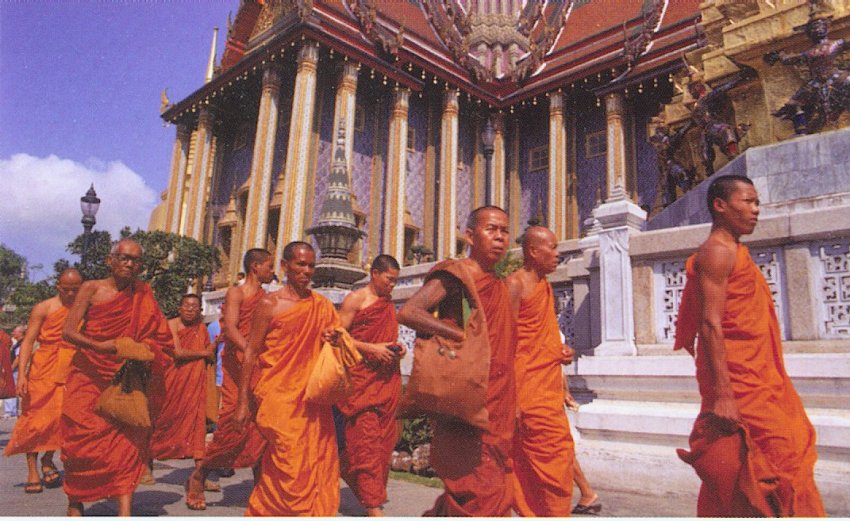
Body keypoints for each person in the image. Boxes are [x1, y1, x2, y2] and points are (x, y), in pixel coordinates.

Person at [674, 175, 824, 516]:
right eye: (748, 201)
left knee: (774, 465)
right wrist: (725, 395)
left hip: (761, 379)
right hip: (740, 387)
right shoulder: (716, 251)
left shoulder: (737, 252)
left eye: (757, 203)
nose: (756, 210)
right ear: (720, 205)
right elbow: (710, 324)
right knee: (779, 464)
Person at [398, 206, 516, 516]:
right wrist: (456, 334)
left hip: (497, 400)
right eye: (492, 229)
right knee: (477, 491)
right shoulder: (458, 274)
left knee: (493, 487)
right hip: (466, 398)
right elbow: (410, 312)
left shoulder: (498, 284)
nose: (500, 237)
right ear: (470, 235)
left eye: (504, 231)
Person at [60, 239, 174, 516]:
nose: (129, 264)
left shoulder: (143, 293)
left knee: (125, 445)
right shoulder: (91, 288)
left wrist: (141, 349)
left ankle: (124, 509)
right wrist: (100, 346)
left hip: (125, 376)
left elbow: (160, 335)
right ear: (110, 260)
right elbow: (68, 331)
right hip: (88, 373)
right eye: (123, 258)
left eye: (135, 260)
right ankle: (76, 499)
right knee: (81, 442)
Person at [234, 241, 343, 515]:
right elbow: (250, 353)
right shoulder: (269, 304)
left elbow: (340, 340)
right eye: (300, 264)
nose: (306, 271)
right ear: (285, 266)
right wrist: (243, 403)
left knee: (314, 466)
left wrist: (335, 339)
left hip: (312, 400)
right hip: (279, 399)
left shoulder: (322, 305)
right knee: (289, 464)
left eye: (311, 266)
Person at [185, 248, 274, 509]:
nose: (272, 272)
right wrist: (248, 348)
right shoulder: (237, 292)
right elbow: (231, 326)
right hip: (238, 366)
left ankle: (261, 487)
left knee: (261, 428)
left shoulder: (267, 298)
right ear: (256, 267)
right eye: (269, 267)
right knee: (232, 426)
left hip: (260, 367)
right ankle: (200, 475)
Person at [505, 226, 577, 516]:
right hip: (526, 390)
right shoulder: (515, 285)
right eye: (553, 248)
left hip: (548, 390)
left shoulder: (546, 287)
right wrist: (510, 397)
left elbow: (539, 336)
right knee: (538, 459)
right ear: (534, 251)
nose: (558, 254)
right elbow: (505, 341)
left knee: (560, 455)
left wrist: (559, 351)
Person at [337, 254, 404, 516]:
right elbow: (336, 337)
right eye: (389, 280)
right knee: (365, 443)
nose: (392, 286)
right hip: (361, 382)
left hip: (386, 381)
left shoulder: (387, 303)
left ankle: (367, 491)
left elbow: (387, 337)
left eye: (396, 282)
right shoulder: (356, 299)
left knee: (383, 446)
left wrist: (397, 349)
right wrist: (369, 348)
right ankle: (374, 507)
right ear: (375, 273)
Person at [4, 269, 82, 494]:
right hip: (43, 367)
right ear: (58, 286)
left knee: (61, 420)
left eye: (75, 290)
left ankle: (48, 459)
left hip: (70, 368)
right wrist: (23, 375)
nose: (70, 294)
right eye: (66, 289)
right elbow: (28, 341)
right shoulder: (44, 308)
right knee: (36, 420)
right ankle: (32, 470)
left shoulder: (82, 308)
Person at [149, 294, 216, 482]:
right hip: (172, 382)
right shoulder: (171, 325)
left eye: (195, 307)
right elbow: (177, 353)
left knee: (197, 425)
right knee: (163, 422)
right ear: (179, 308)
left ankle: (199, 475)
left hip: (193, 385)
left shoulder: (201, 329)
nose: (190, 309)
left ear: (200, 311)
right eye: (186, 305)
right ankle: (146, 464)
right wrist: (205, 353)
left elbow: (209, 355)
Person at [3, 325, 25, 418]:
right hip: (14, 370)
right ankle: (11, 410)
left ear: (20, 333)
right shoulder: (17, 343)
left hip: (15, 370)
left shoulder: (21, 344)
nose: (13, 333)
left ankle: (11, 411)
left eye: (15, 332)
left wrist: (11, 369)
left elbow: (18, 358)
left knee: (11, 389)